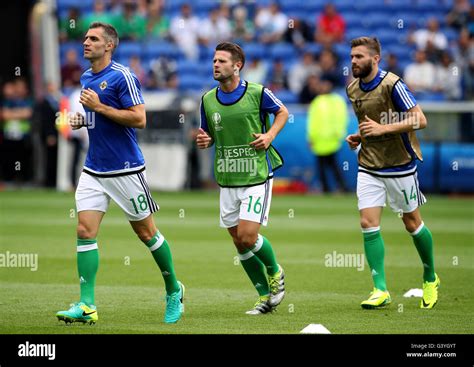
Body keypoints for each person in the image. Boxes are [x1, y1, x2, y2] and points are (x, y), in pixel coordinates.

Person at [56, 22, 184, 325]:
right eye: (86, 37)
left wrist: (98, 109)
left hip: (125, 170)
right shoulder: (87, 76)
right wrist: (83, 119)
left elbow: (139, 119)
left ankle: (173, 289)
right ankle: (87, 305)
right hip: (93, 168)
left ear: (109, 45)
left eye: (94, 39)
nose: (86, 42)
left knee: (147, 233)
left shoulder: (122, 76)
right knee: (85, 231)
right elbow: (98, 117)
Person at [345, 37, 439, 310]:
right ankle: (380, 289)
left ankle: (430, 277)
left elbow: (420, 119)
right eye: (352, 56)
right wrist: (360, 136)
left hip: (400, 166)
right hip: (369, 166)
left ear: (376, 59)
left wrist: (383, 130)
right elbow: (369, 125)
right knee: (368, 223)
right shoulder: (352, 89)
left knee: (412, 224)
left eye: (360, 57)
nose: (354, 61)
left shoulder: (393, 84)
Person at [196, 42, 288, 314]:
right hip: (227, 178)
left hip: (256, 174)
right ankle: (264, 297)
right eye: (214, 60)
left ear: (237, 66)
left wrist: (269, 135)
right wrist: (205, 140)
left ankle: (275, 271)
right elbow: (208, 134)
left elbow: (282, 112)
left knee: (248, 236)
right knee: (238, 241)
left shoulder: (258, 93)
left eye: (222, 61)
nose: (216, 64)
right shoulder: (207, 99)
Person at [307, 74, 348, 193]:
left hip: (332, 140)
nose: (323, 87)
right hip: (319, 140)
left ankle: (342, 187)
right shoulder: (317, 101)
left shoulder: (337, 101)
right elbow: (312, 121)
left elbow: (341, 118)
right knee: (322, 167)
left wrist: (339, 133)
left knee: (333, 166)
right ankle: (326, 188)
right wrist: (310, 137)